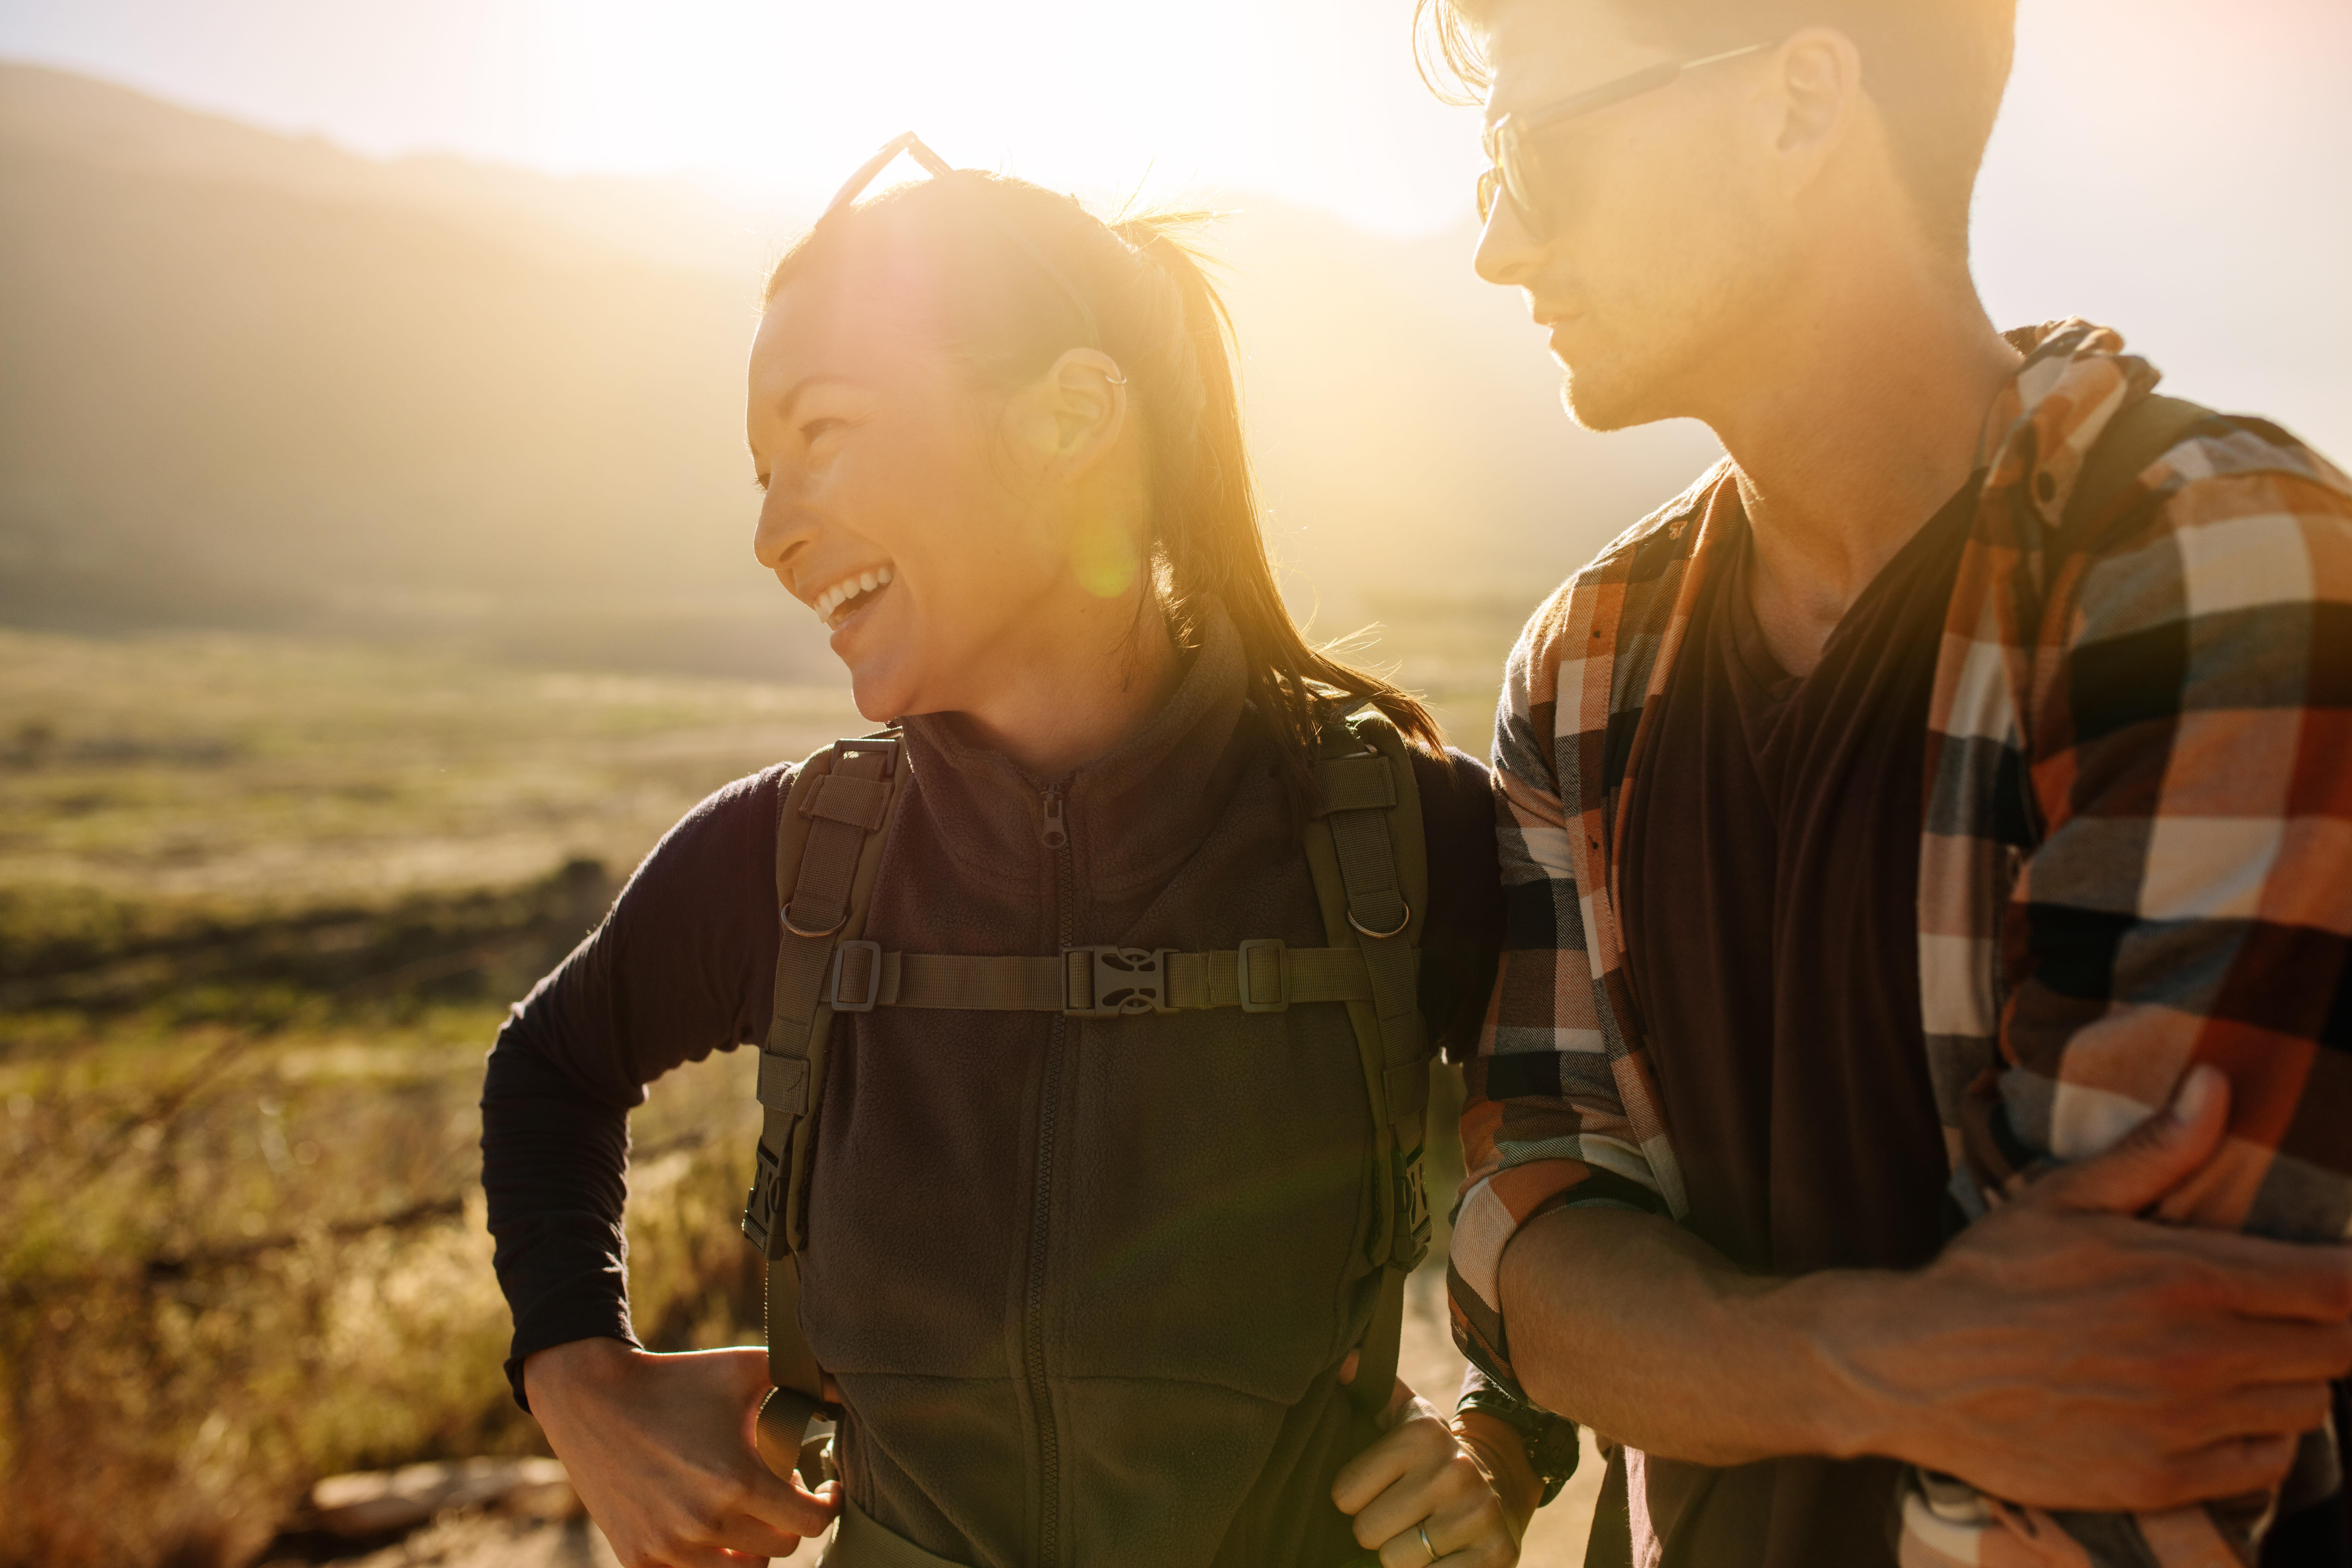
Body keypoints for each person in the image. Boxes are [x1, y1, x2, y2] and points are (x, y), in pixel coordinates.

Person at [480, 138, 1544, 1568]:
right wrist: (578, 1377)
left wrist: (1506, 1435)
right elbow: (549, 1067)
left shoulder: (1406, 841)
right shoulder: (793, 860)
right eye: (761, 470)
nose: (773, 531)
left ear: (1072, 418)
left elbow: (1588, 1145)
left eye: (826, 435)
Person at [1410, 1, 2352, 1564]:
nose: (1498, 245)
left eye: (1536, 149)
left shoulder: (2210, 571)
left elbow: (2125, 1447)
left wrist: (1714, 1356)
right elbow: (1529, 1274)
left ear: (1798, 106)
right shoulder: (1587, 665)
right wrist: (1881, 1364)